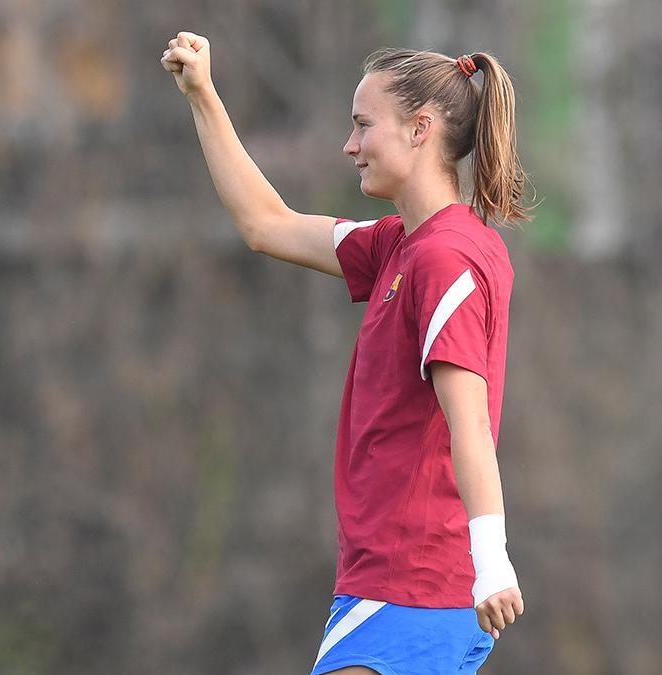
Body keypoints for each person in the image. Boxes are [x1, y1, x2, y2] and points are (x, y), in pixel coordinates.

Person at [162, 31, 528, 674]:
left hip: (415, 584)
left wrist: (491, 563)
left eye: (363, 126)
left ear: (420, 129)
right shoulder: (401, 247)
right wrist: (204, 97)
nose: (349, 145)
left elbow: (468, 425)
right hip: (393, 584)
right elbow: (265, 224)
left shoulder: (444, 259)